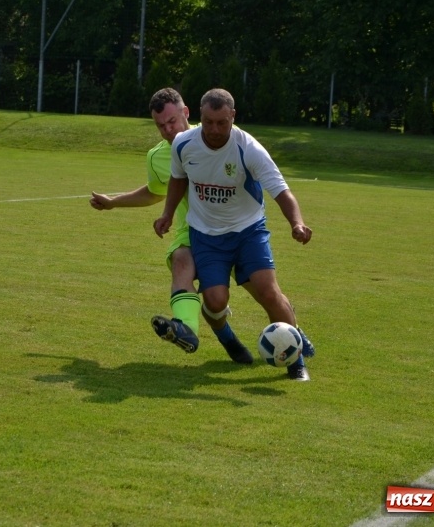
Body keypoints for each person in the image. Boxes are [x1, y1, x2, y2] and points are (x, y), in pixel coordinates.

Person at [153, 88, 315, 380]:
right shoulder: (183, 144)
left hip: (248, 232)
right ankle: (229, 341)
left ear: (233, 117)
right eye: (208, 122)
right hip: (206, 235)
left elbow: (281, 191)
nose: (214, 130)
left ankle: (297, 361)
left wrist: (297, 223)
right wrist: (167, 214)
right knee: (215, 300)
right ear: (200, 117)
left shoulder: (248, 148)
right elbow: (178, 179)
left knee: (267, 291)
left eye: (222, 123)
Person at [90, 88, 202, 353]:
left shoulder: (216, 136)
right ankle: (186, 329)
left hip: (236, 227)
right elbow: (154, 192)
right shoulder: (157, 156)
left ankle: (293, 339)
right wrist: (114, 202)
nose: (167, 130)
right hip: (194, 229)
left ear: (186, 113)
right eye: (160, 126)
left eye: (172, 121)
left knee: (262, 290)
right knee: (180, 260)